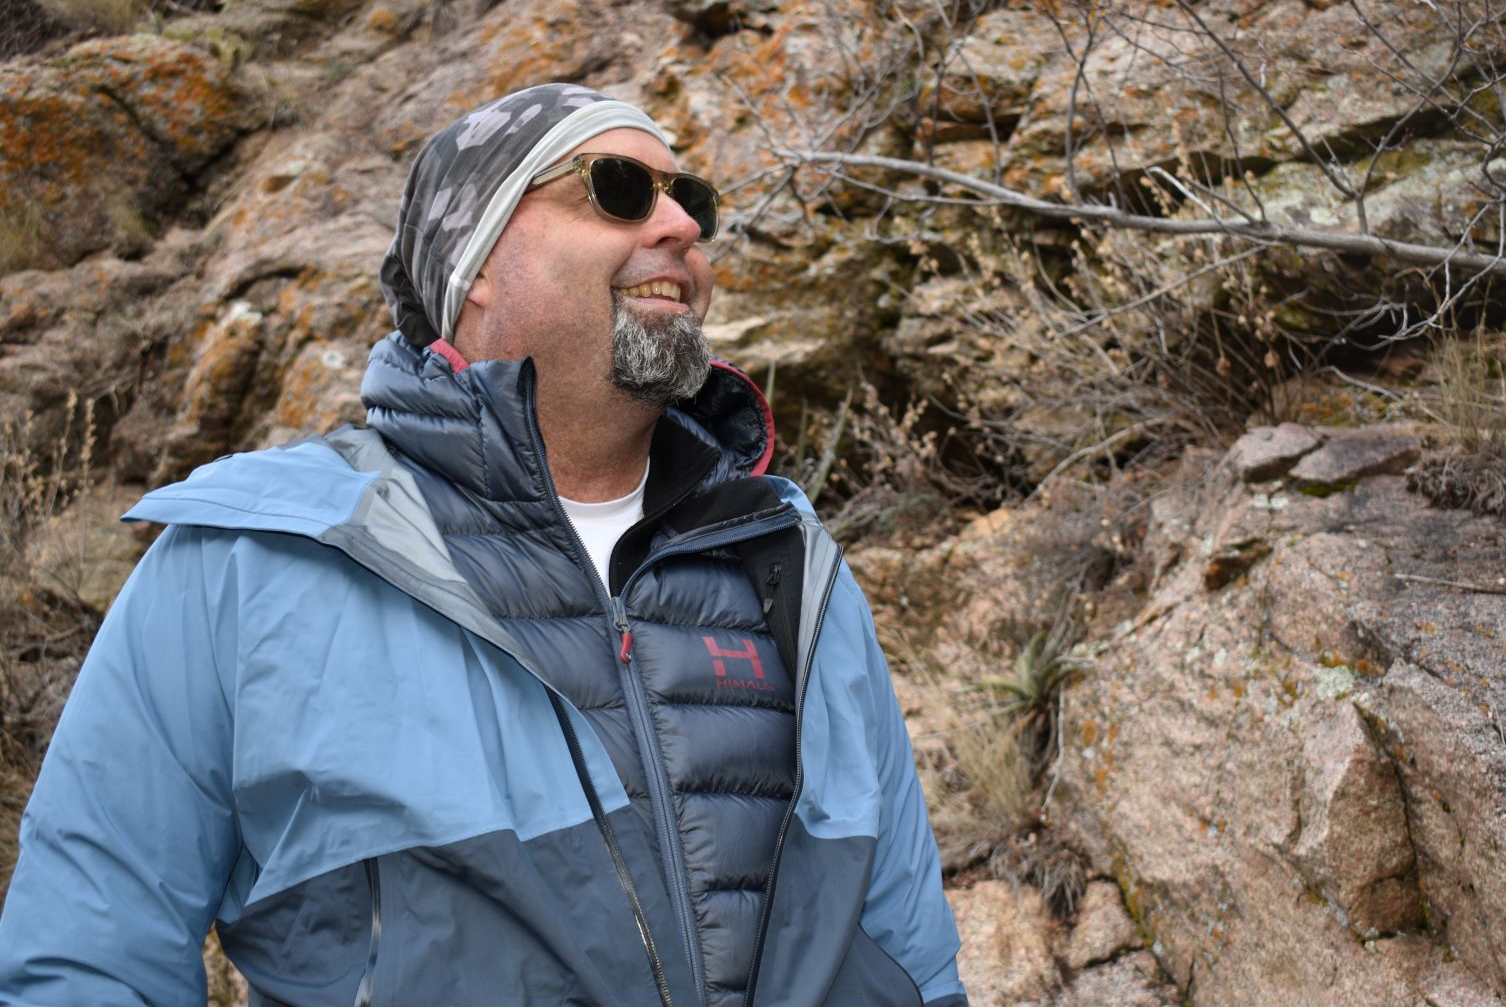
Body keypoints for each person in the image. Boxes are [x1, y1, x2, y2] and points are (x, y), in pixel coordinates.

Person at [0, 83, 967, 1006]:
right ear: (476, 267)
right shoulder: (250, 564)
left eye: (689, 200)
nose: (679, 227)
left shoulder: (792, 562)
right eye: (617, 191)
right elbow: (88, 954)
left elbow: (913, 953)